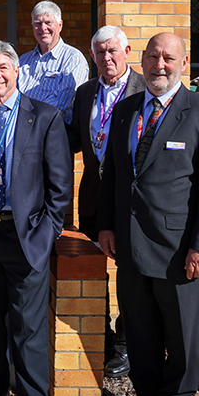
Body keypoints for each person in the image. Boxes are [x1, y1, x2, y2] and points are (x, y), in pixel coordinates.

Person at [97, 32, 199, 396]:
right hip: (129, 249)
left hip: (179, 253)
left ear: (184, 64)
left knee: (181, 339)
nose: (160, 65)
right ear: (142, 60)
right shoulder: (125, 111)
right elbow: (114, 176)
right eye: (154, 57)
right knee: (140, 336)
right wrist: (106, 224)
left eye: (169, 58)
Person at [0, 41, 73, 396]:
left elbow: (60, 186)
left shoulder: (45, 116)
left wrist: (46, 233)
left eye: (3, 67)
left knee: (28, 330)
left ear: (17, 70)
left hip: (26, 237)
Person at [67, 25, 146, 378]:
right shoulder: (85, 92)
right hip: (95, 195)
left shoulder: (146, 89)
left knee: (129, 273)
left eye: (113, 50)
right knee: (93, 267)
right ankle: (100, 335)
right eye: (100, 52)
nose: (107, 58)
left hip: (131, 197)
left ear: (127, 50)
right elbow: (74, 138)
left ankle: (128, 345)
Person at [16, 0, 88, 124]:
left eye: (48, 22)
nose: (43, 28)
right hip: (23, 129)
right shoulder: (22, 61)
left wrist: (28, 119)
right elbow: (12, 95)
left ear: (60, 25)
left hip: (55, 130)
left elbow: (62, 102)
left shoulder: (73, 58)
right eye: (37, 23)